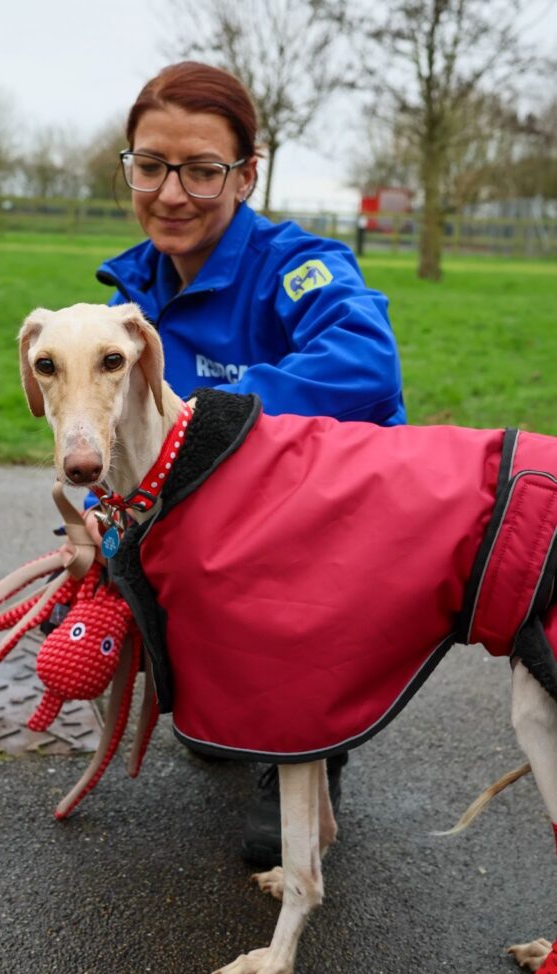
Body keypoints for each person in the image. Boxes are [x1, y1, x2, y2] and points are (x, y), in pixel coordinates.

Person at [91, 60, 406, 868]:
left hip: (330, 524)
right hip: (229, 518)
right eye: (150, 165)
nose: (170, 193)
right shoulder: (129, 291)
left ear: (246, 174)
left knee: (283, 575)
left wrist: (205, 415)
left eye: (201, 170)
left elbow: (367, 365)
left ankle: (310, 748)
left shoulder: (298, 265)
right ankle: (229, 697)